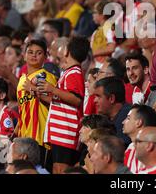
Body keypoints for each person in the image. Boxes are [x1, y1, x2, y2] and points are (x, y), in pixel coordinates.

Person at [41, 36, 89, 174]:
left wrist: (52, 89)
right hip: (59, 133)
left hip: (66, 133)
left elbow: (76, 99)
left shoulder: (74, 72)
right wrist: (40, 94)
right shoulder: (69, 72)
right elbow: (62, 101)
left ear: (67, 51)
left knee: (61, 170)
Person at [15, 39, 57, 164]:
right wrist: (16, 130)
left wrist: (32, 89)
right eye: (30, 52)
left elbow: (54, 102)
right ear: (24, 55)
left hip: (41, 137)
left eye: (38, 53)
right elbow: (22, 108)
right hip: (24, 137)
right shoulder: (22, 79)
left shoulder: (47, 76)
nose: (34, 55)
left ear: (45, 56)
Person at [93, 77, 132, 146]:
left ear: (111, 98)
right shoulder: (106, 118)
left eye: (98, 96)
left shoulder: (129, 116)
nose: (95, 100)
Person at [122, 104, 156, 174]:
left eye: (128, 118)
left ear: (138, 123)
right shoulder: (131, 147)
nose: (123, 122)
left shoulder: (151, 150)